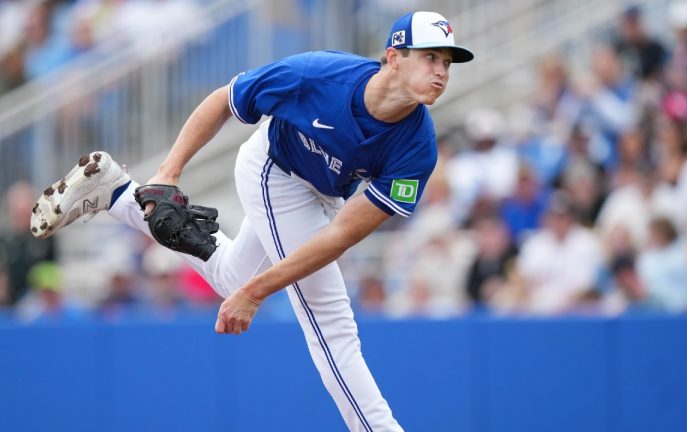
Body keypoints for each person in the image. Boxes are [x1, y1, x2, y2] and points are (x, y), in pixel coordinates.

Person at [29, 11, 473, 431]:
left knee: (231, 278)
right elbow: (225, 99)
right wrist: (168, 172)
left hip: (323, 195)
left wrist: (253, 291)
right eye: (430, 57)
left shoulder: (419, 145)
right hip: (273, 169)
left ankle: (118, 193)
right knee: (331, 321)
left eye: (448, 62)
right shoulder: (318, 74)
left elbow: (340, 236)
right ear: (393, 58)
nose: (441, 71)